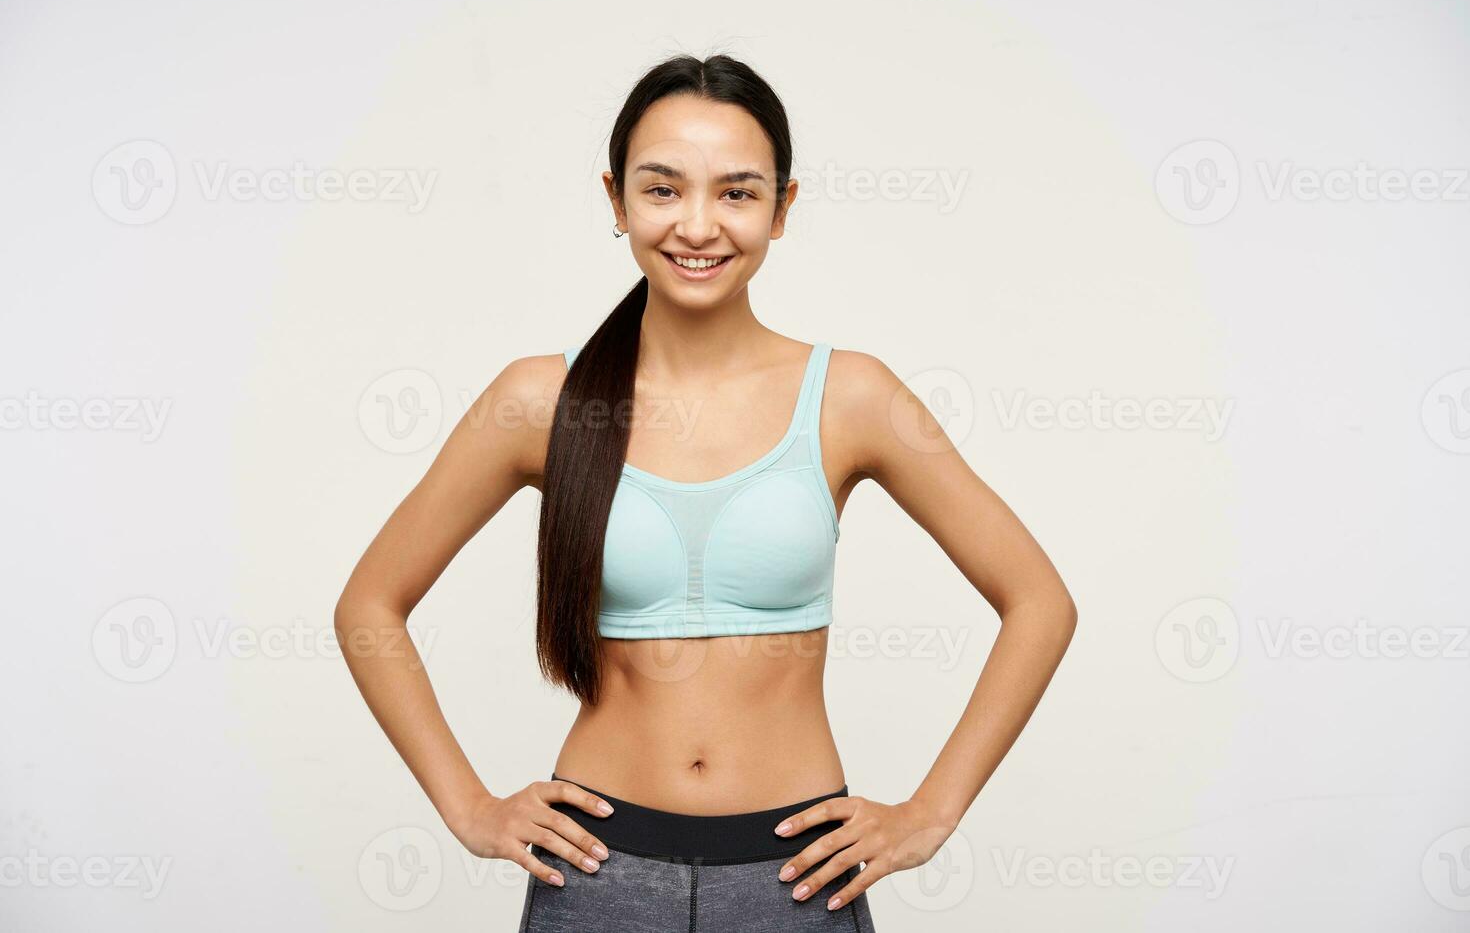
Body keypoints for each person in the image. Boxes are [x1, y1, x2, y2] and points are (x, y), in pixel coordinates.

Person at [333, 53, 1078, 931]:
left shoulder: (852, 398)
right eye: (662, 190)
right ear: (616, 201)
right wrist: (470, 808)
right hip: (599, 879)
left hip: (796, 882)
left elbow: (1040, 602)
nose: (697, 225)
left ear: (782, 208)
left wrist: (930, 813)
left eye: (735, 192)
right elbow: (369, 605)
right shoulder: (541, 401)